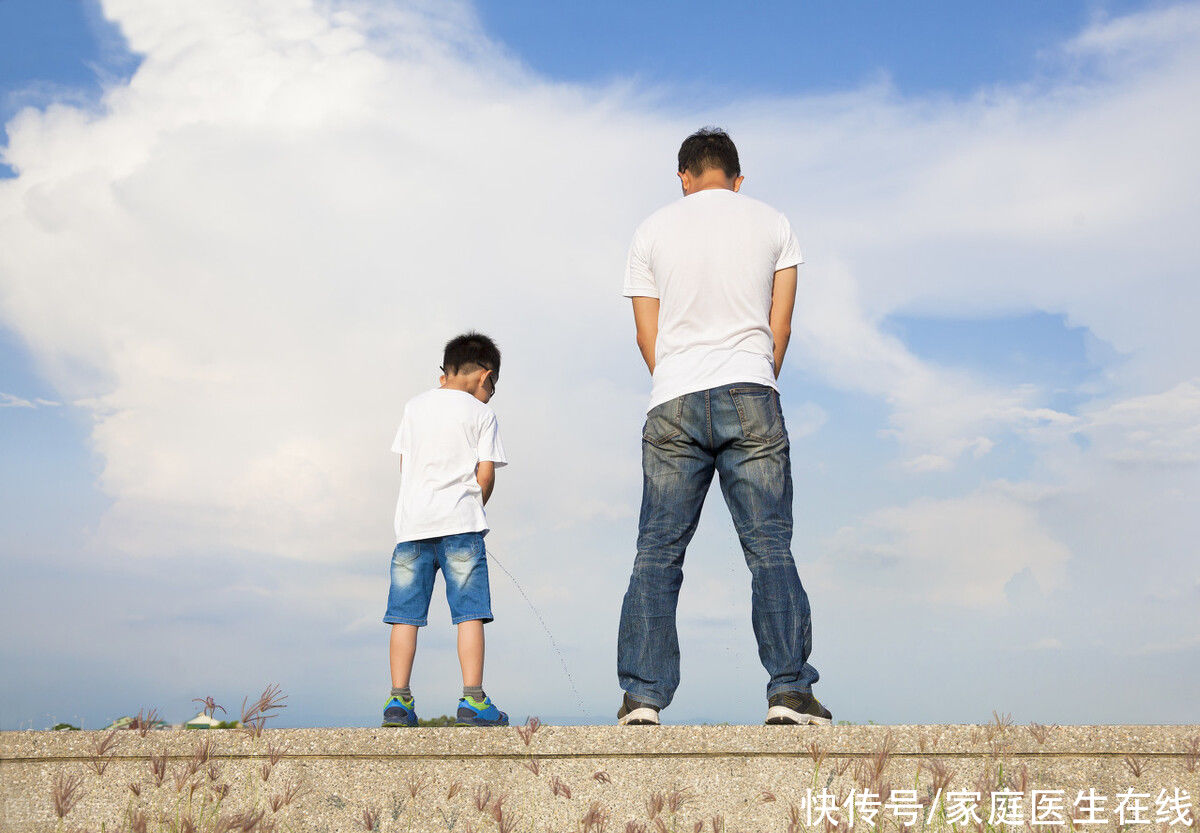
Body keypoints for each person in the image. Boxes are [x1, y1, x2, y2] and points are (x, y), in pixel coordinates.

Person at [616, 127, 832, 726]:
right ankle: (789, 691)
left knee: (657, 553)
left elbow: (645, 335)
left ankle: (642, 699)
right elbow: (779, 324)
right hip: (751, 389)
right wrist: (753, 378)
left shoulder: (651, 230)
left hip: (672, 397)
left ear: (684, 177)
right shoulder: (774, 223)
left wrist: (678, 383)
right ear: (738, 178)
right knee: (769, 548)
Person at [381, 332, 510, 727]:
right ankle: (473, 700)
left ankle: (398, 701)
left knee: (405, 614)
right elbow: (485, 475)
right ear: (485, 377)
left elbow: (406, 465)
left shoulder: (414, 407)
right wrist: (472, 506)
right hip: (461, 529)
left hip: (412, 529)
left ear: (446, 372)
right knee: (469, 613)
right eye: (494, 387)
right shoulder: (481, 414)